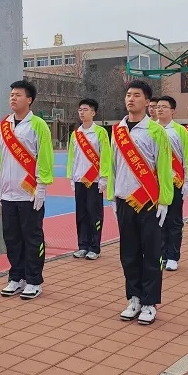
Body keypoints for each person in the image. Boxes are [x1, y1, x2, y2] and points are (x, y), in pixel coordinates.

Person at [107, 80, 173, 325]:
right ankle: (133, 297)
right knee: (129, 253)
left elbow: (164, 169)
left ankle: (149, 302)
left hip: (148, 203)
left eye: (136, 95)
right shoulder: (117, 131)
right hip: (124, 201)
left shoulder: (156, 132)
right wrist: (112, 195)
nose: (130, 99)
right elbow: (112, 166)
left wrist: (164, 201)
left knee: (151, 254)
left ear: (148, 102)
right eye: (128, 95)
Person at [0, 79, 54, 299]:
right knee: (12, 237)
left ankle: (34, 280)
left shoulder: (38, 125)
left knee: (32, 237)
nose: (13, 98)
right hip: (7, 193)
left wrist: (42, 186)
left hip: (30, 193)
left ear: (29, 99)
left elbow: (45, 157)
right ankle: (16, 277)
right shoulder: (4, 125)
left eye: (18, 95)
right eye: (11, 95)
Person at [155, 96, 188, 271]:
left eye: (164, 107)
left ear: (172, 110)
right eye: (158, 107)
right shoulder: (150, 128)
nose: (160, 109)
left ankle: (172, 256)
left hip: (174, 182)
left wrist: (187, 182)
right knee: (156, 222)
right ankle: (159, 254)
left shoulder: (180, 131)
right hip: (153, 184)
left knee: (173, 221)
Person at [67, 98, 112, 259]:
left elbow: (106, 156)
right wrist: (71, 177)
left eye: (85, 109)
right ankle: (82, 245)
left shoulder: (100, 132)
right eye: (80, 109)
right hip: (79, 179)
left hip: (94, 180)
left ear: (93, 112)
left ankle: (95, 247)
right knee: (81, 214)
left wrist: (104, 177)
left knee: (94, 214)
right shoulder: (76, 134)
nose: (82, 112)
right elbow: (72, 157)